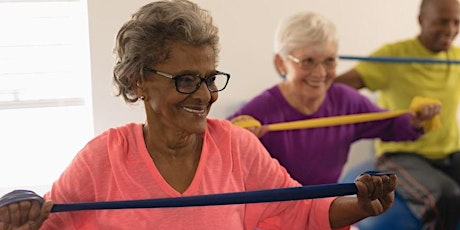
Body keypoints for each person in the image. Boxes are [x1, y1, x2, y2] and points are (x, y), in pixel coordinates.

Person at [0, 0, 398, 229]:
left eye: (210, 78)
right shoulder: (102, 158)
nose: (205, 95)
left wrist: (362, 204)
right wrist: (19, 216)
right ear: (139, 81)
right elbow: (48, 220)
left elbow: (300, 210)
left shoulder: (236, 147)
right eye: (186, 79)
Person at [227, 12, 441, 186]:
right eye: (308, 61)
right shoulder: (260, 110)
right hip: (272, 216)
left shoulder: (346, 100)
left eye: (329, 61)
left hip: (327, 209)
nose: (320, 73)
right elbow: (214, 146)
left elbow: (392, 124)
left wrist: (417, 119)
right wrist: (237, 142)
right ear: (281, 64)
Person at [335, 0, 460, 228]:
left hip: (450, 153)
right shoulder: (393, 56)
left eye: (456, 22)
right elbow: (336, 88)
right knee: (447, 195)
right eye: (443, 21)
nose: (451, 30)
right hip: (401, 155)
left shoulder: (456, 58)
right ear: (422, 20)